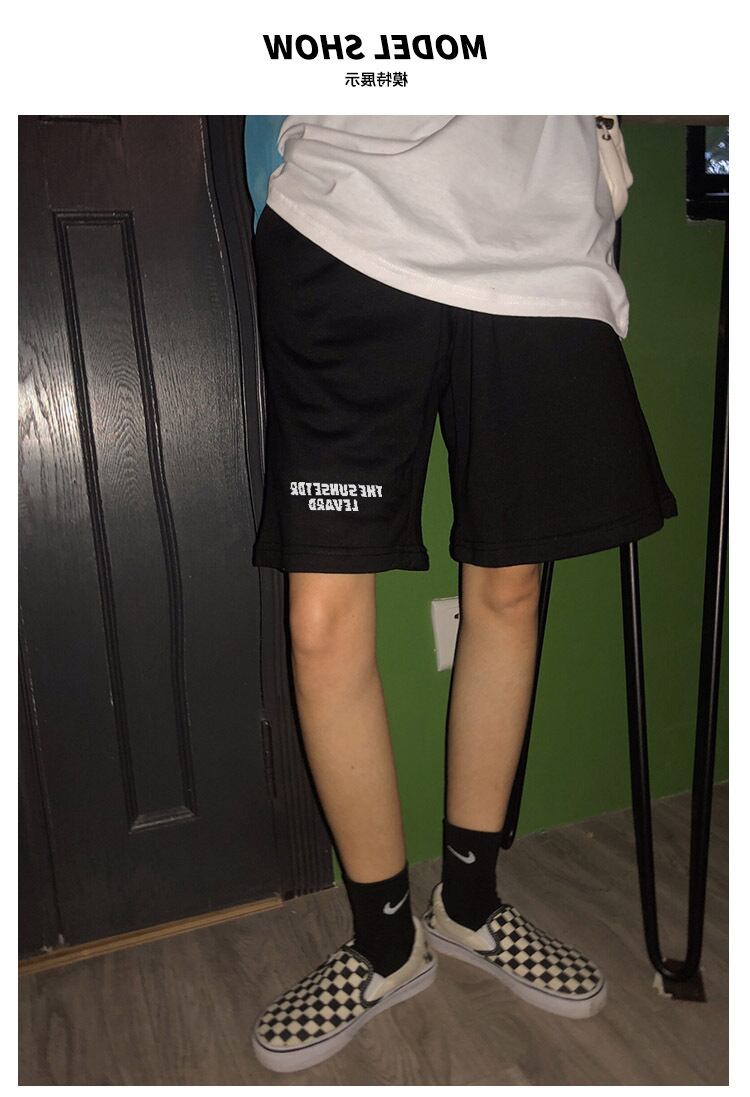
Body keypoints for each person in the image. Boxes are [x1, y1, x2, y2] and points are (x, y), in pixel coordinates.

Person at [247, 116, 677, 1074]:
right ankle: (385, 941)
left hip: (541, 235)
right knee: (320, 621)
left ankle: (471, 905)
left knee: (513, 587)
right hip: (346, 216)